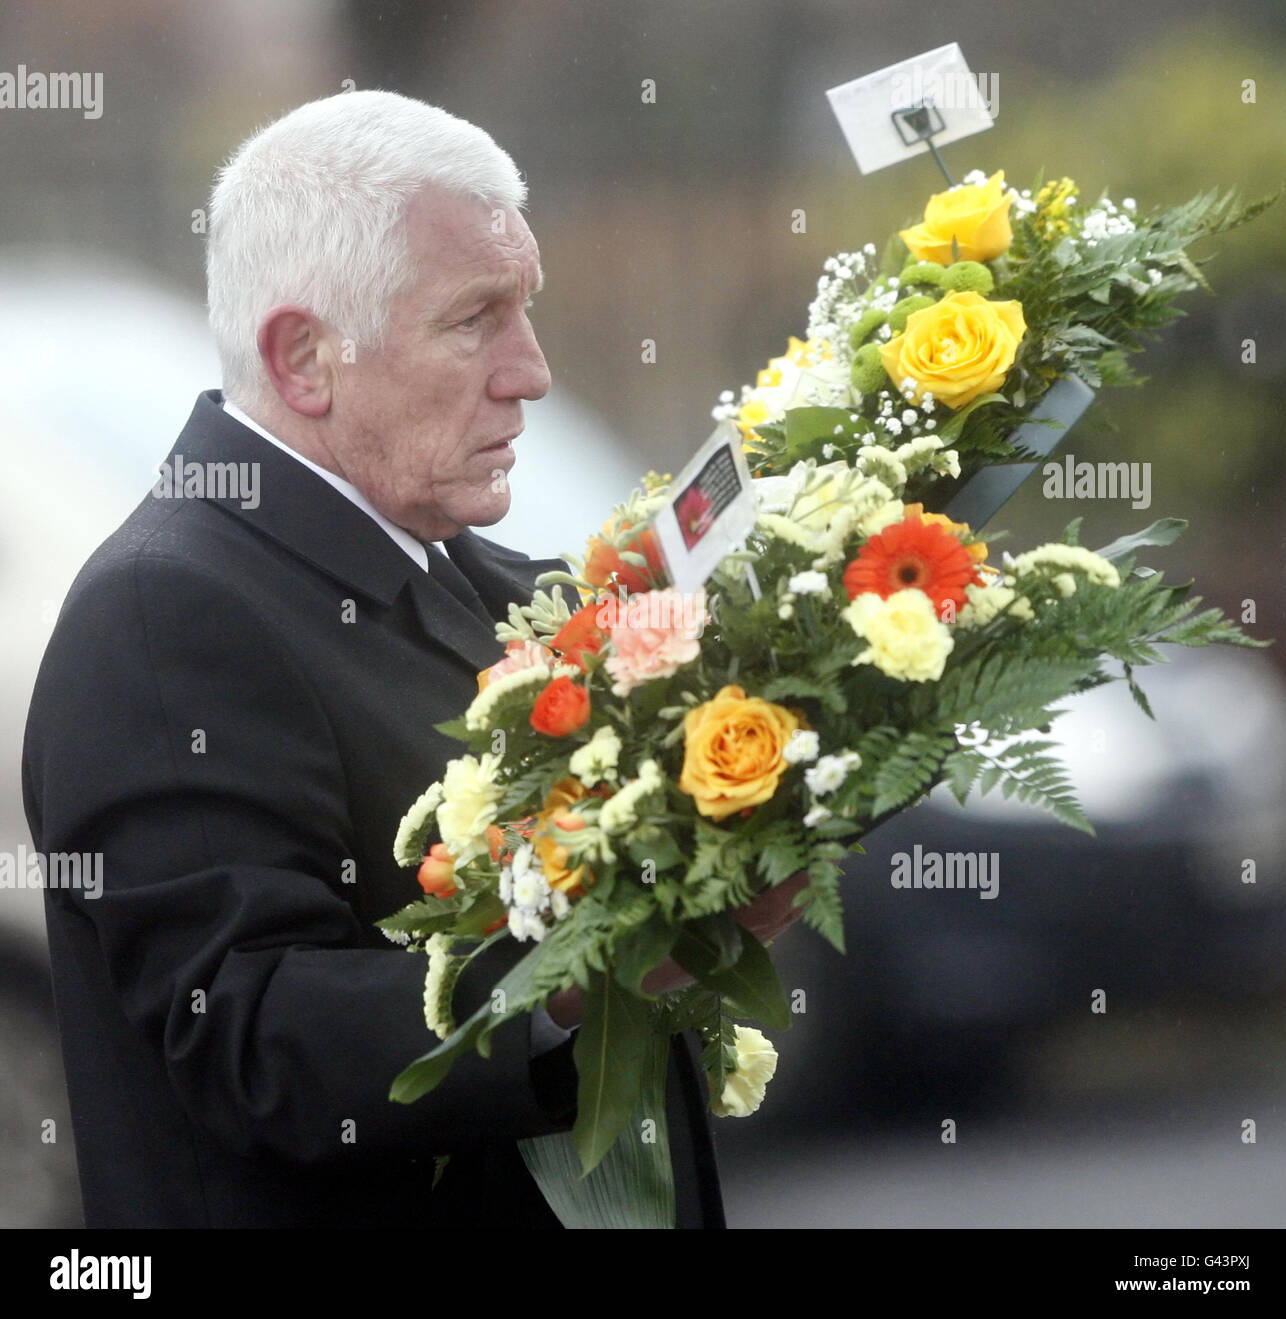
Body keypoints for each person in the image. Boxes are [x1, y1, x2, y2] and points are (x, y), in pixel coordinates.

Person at [22, 89, 804, 1230]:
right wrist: (610, 968)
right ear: (304, 357)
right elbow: (253, 1031)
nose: (531, 370)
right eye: (474, 318)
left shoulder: (461, 568)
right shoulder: (162, 610)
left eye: (525, 309)